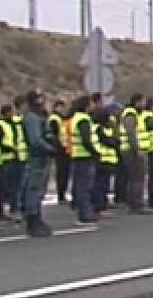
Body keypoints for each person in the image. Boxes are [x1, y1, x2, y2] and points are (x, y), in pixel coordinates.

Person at [19, 93, 56, 238]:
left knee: (39, 189)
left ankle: (36, 218)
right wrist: (50, 148)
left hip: (41, 158)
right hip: (37, 158)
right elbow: (35, 140)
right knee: (34, 189)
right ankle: (33, 220)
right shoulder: (32, 118)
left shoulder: (38, 117)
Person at [68, 96, 99, 224]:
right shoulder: (83, 119)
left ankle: (85, 212)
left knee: (81, 186)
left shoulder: (75, 118)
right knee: (84, 187)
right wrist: (94, 152)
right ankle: (85, 214)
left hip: (78, 155)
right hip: (84, 156)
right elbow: (86, 139)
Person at [117, 94, 146, 212]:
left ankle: (135, 203)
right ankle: (136, 204)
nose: (144, 104)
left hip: (130, 149)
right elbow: (130, 132)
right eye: (142, 102)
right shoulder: (130, 114)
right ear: (137, 102)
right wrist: (136, 148)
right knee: (136, 178)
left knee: (135, 178)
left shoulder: (132, 113)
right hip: (131, 150)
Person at [0, 105, 20, 220]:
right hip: (1, 159)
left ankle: (2, 211)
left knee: (6, 187)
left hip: (10, 158)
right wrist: (10, 148)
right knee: (1, 187)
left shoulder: (10, 124)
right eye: (11, 112)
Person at [92, 100, 119, 217]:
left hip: (108, 159)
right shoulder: (99, 128)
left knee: (104, 184)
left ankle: (102, 205)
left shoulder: (106, 128)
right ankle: (99, 207)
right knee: (100, 184)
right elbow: (107, 141)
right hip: (102, 158)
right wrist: (115, 142)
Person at [47, 99, 71, 205]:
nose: (63, 109)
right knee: (61, 173)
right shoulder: (54, 118)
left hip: (64, 148)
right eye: (61, 107)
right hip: (59, 149)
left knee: (65, 173)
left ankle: (62, 194)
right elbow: (54, 135)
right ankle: (61, 194)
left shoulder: (61, 118)